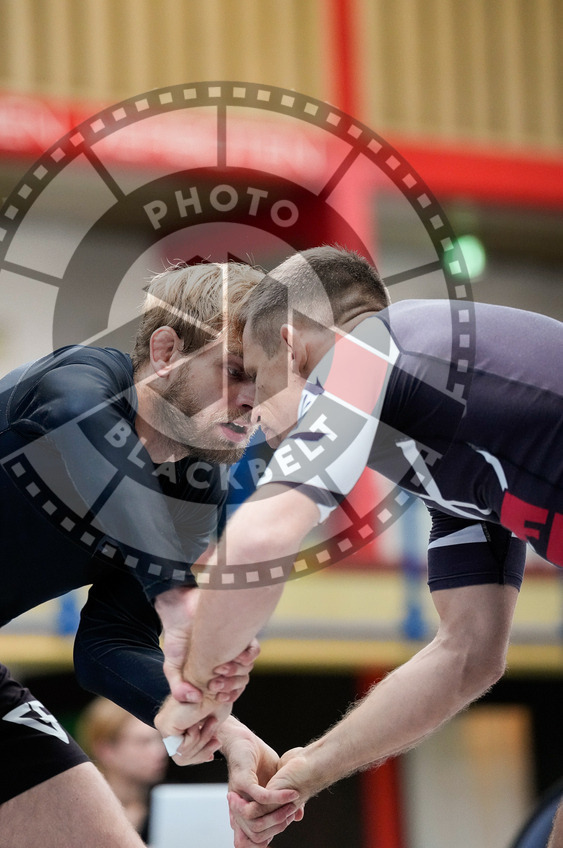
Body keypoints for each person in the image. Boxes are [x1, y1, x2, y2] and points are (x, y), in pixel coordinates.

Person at [160, 245, 563, 848]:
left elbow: (258, 541)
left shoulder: (368, 350)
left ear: (293, 345)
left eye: (255, 376)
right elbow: (468, 653)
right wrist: (308, 771)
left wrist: (194, 693)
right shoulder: (437, 436)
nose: (250, 412)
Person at [0, 260, 286, 848]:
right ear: (167, 349)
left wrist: (220, 727)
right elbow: (83, 432)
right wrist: (176, 596)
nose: (255, 402)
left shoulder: (197, 489)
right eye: (235, 372)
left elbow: (109, 644)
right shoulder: (81, 380)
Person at [75, 697, 168, 842]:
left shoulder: (168, 810)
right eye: (143, 742)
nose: (160, 752)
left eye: (159, 740)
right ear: (106, 750)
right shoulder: (78, 814)